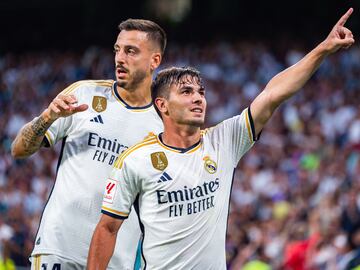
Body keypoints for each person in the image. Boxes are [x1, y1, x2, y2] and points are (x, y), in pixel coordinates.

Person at [87, 9, 355, 269]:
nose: (198, 98)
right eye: (186, 92)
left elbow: (273, 94)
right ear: (163, 105)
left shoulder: (223, 141)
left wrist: (323, 49)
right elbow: (107, 228)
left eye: (200, 92)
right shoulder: (135, 160)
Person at [11, 19, 166, 269]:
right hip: (59, 249)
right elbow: (18, 149)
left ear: (154, 61)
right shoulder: (83, 94)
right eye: (117, 49)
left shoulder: (162, 127)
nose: (119, 58)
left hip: (116, 262)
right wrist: (47, 117)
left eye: (131, 51)